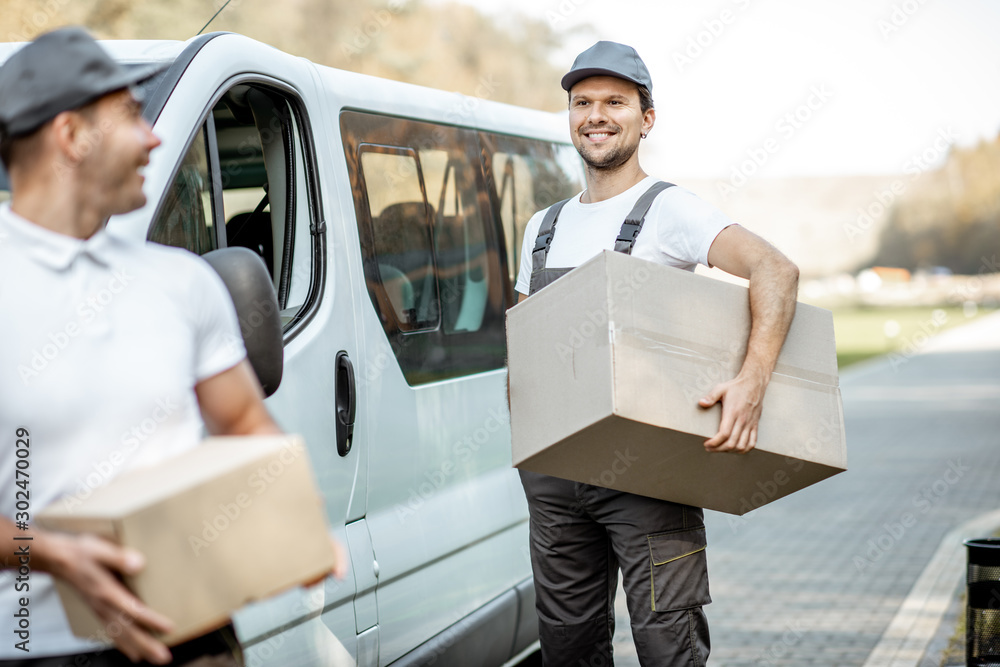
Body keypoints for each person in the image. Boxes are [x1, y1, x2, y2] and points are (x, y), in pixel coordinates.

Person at [0, 27, 292, 666]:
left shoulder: (180, 281)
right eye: (132, 115)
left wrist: (288, 523)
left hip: (195, 634)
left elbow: (245, 422)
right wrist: (43, 551)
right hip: (32, 648)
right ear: (71, 136)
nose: (154, 137)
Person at [513, 41, 800, 666]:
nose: (596, 114)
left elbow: (775, 270)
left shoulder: (669, 210)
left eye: (615, 101)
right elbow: (524, 342)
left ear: (647, 118)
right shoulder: (543, 227)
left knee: (669, 649)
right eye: (582, 102)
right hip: (556, 479)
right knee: (567, 651)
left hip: (648, 476)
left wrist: (751, 383)